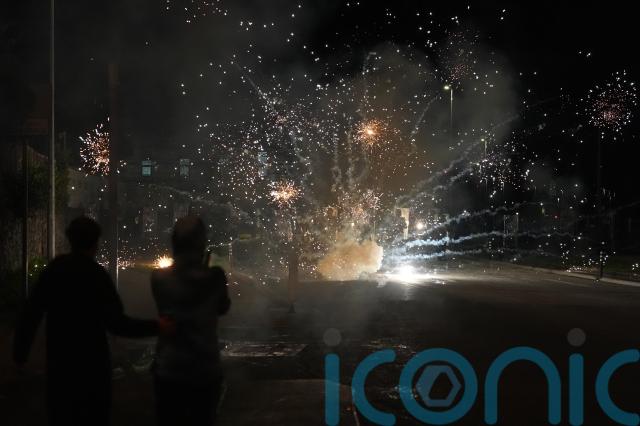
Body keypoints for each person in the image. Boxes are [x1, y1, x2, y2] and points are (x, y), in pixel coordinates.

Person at [13, 216, 168, 426]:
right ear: (95, 243)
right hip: (93, 368)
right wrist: (157, 326)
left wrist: (20, 354)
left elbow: (31, 314)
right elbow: (117, 323)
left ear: (70, 239)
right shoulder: (97, 275)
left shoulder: (54, 271)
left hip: (61, 365)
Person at [151, 216, 231, 426]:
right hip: (204, 367)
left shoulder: (158, 278)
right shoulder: (215, 277)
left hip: (169, 366)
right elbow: (223, 307)